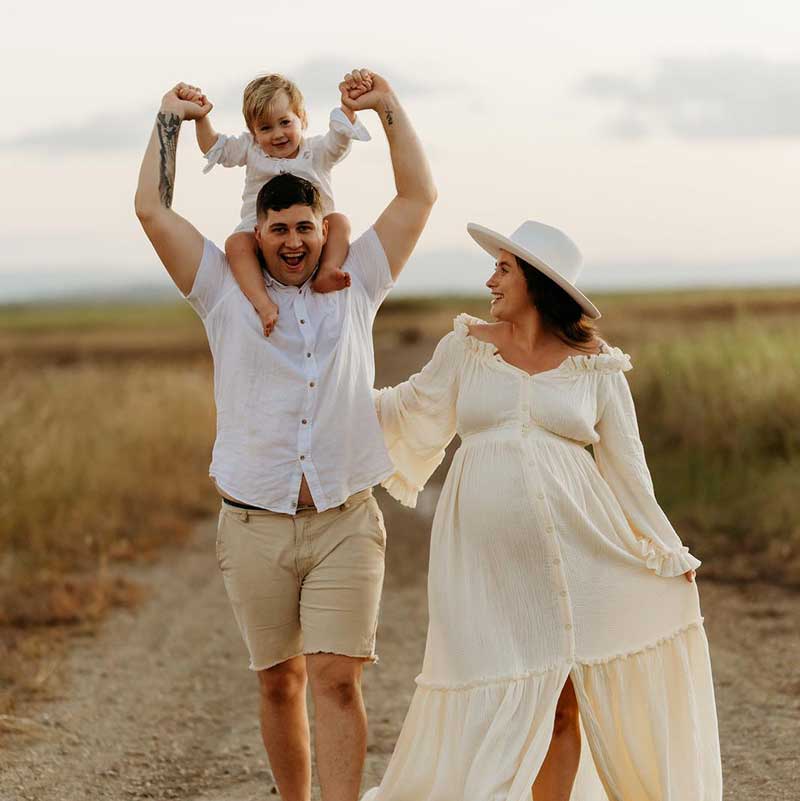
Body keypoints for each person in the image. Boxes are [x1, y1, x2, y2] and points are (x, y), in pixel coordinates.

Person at [134, 68, 436, 801]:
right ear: (256, 233)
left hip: (342, 522)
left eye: (305, 226)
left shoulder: (355, 279)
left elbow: (418, 196)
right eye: (279, 230)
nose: (294, 242)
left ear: (321, 225)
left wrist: (388, 108)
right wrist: (169, 120)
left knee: (335, 681)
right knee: (279, 682)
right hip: (254, 522)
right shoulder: (220, 291)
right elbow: (150, 208)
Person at [369, 220, 722, 801]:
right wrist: (326, 390)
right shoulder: (466, 347)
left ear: (537, 282)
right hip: (482, 560)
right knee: (489, 687)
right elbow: (411, 407)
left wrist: (664, 547)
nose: (490, 279)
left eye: (503, 269)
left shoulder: (598, 365)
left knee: (563, 701)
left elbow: (628, 468)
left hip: (581, 549)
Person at [184, 72, 373, 336]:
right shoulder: (251, 149)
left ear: (302, 119)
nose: (277, 134)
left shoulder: (316, 151)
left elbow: (339, 142)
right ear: (253, 132)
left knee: (340, 221)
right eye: (265, 128)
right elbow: (217, 147)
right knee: (236, 244)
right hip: (260, 227)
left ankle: (328, 270)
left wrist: (348, 109)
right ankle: (263, 303)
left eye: (285, 122)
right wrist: (201, 117)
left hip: (313, 229)